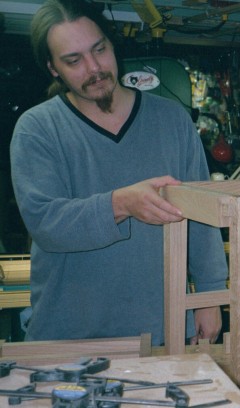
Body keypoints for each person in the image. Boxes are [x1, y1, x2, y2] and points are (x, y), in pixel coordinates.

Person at [10, 0, 228, 346]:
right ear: (53, 68)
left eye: (100, 50)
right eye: (74, 60)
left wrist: (212, 294)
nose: (94, 67)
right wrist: (121, 203)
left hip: (163, 327)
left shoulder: (171, 120)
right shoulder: (37, 129)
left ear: (112, 44)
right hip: (69, 334)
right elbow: (45, 222)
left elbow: (202, 214)